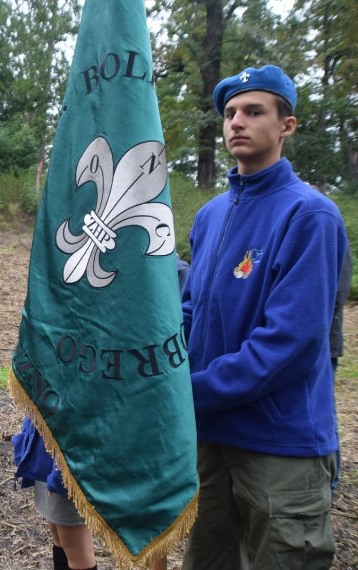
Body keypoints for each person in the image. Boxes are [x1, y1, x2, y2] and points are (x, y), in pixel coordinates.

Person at [181, 64, 347, 569]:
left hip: (280, 444)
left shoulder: (310, 215)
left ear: (286, 125)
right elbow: (189, 312)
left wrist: (188, 391)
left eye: (254, 111)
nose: (237, 122)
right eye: (231, 113)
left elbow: (290, 342)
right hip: (210, 436)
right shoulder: (210, 215)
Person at [13, 418, 97, 570]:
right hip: (48, 450)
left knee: (77, 550)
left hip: (69, 458)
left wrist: (62, 471)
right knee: (59, 535)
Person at [330, 241, 352, 491]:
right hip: (324, 340)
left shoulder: (323, 218)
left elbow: (337, 290)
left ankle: (331, 482)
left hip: (324, 344)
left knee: (324, 409)